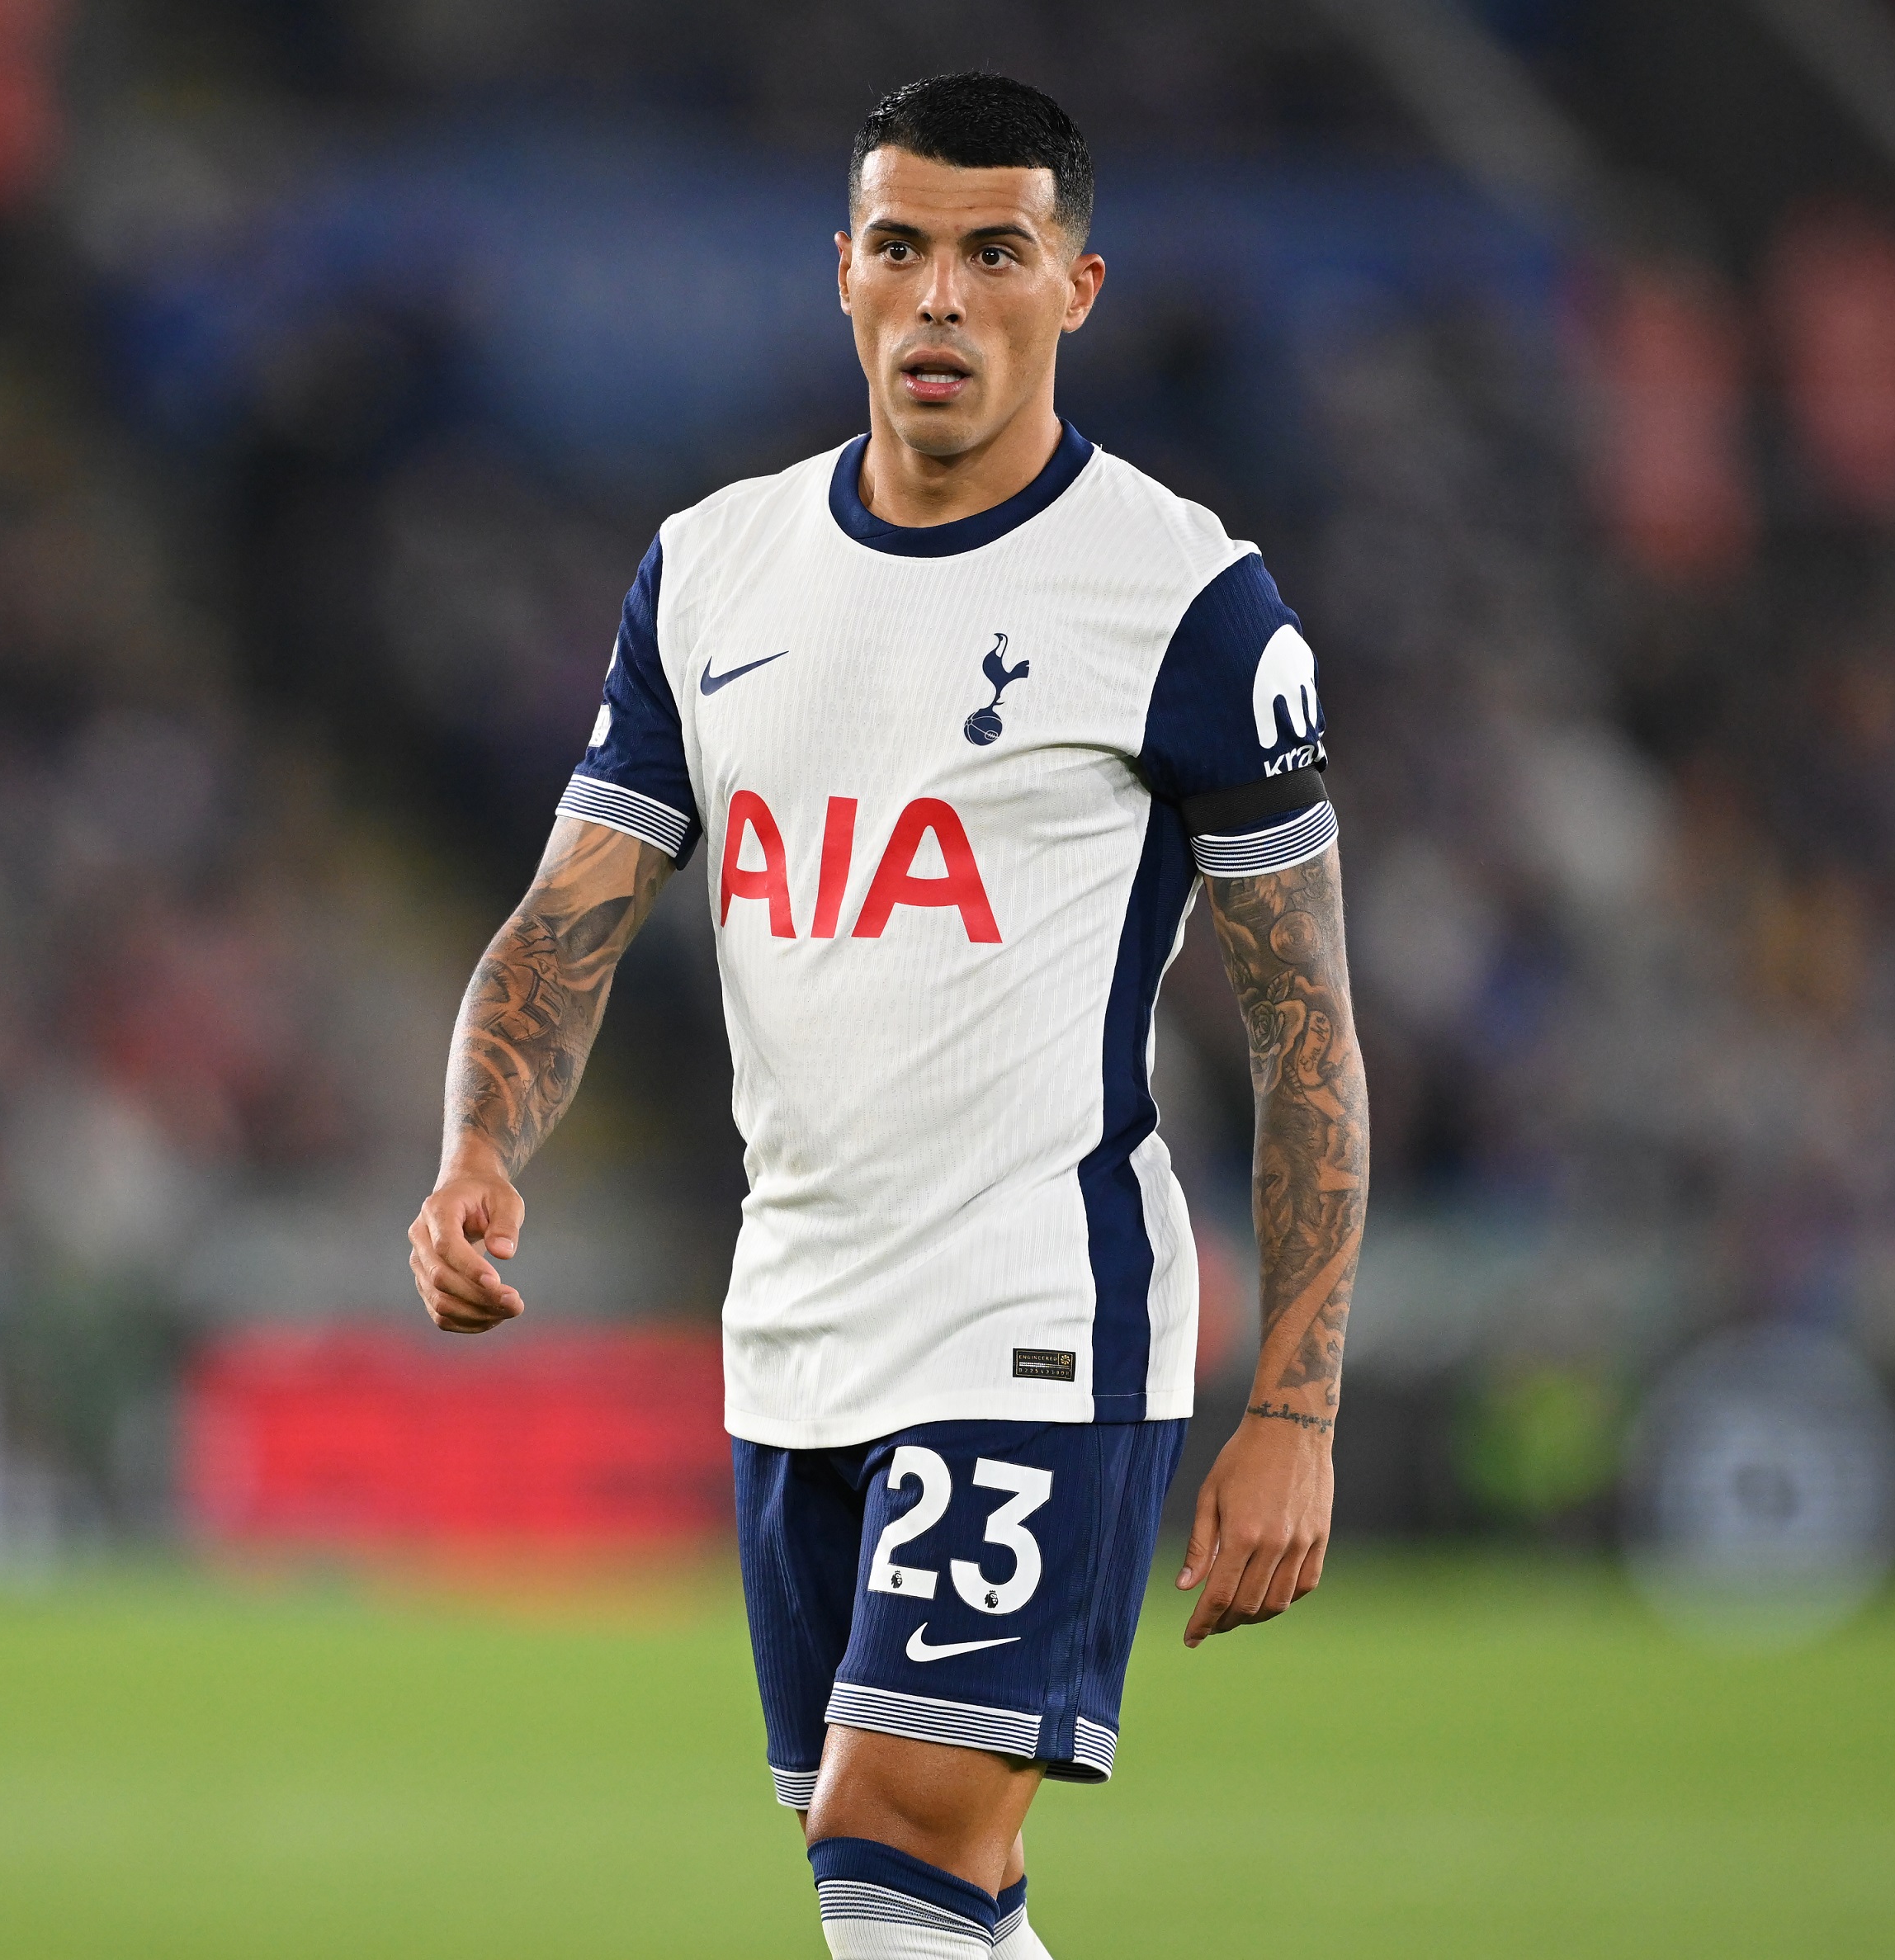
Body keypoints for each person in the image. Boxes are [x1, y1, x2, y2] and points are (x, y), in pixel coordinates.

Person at [407, 71, 1367, 1960]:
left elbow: (1307, 1031)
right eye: (904, 249)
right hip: (796, 1324)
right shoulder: (710, 572)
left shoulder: (1186, 602)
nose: (942, 298)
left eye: (993, 253)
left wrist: (1297, 1405)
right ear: (840, 273)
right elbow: (567, 914)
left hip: (1038, 1309)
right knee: (930, 1890)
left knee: (892, 1839)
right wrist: (473, 1146)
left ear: (1072, 288)